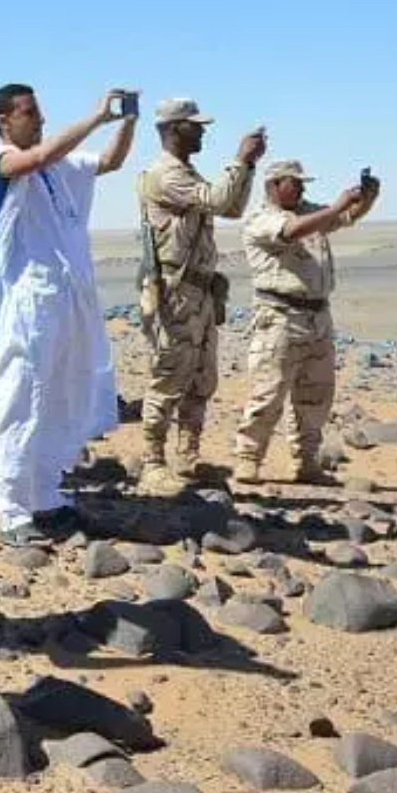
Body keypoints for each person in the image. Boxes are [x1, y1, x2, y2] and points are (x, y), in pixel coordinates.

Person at [0, 83, 138, 547]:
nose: (40, 120)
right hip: (23, 308)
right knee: (21, 400)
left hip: (62, 303)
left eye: (39, 111)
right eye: (30, 113)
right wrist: (95, 118)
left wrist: (127, 121)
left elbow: (109, 163)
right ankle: (12, 507)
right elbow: (32, 160)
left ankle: (47, 496)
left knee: (55, 398)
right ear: (3, 123)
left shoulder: (58, 171)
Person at [134, 97, 266, 496]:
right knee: (169, 374)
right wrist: (240, 160)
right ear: (175, 128)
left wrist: (248, 166)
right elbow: (220, 200)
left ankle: (187, 457)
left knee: (200, 377)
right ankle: (152, 463)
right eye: (195, 125)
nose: (202, 131)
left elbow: (232, 206)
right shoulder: (165, 175)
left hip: (200, 292)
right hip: (176, 293)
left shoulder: (186, 173)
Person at [232, 160, 379, 484]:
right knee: (268, 393)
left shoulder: (309, 210)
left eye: (301, 183)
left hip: (317, 315)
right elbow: (294, 230)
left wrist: (365, 200)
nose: (301, 188)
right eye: (294, 183)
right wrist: (339, 204)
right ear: (273, 185)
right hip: (281, 315)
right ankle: (248, 458)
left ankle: (306, 461)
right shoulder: (262, 218)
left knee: (316, 395)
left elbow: (343, 218)